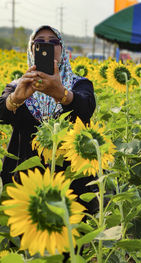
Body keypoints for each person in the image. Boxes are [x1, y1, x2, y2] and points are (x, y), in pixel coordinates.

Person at [0, 25, 97, 212]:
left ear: (62, 49)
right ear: (31, 48)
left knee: (69, 234)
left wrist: (62, 93)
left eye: (53, 42)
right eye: (39, 43)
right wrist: (16, 98)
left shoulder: (79, 84)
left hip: (71, 181)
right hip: (24, 178)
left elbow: (86, 107)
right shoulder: (17, 86)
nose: (47, 46)